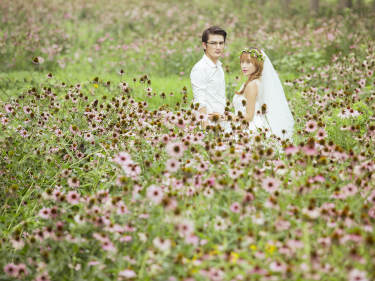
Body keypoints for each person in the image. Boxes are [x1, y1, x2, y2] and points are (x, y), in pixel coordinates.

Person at [232, 47, 294, 140]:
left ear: (257, 63)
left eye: (248, 62)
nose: (244, 66)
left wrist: (228, 117)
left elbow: (249, 116)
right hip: (249, 125)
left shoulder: (252, 85)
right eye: (242, 62)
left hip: (248, 128)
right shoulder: (257, 82)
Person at [190, 26, 227, 129]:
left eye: (221, 43)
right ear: (204, 45)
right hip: (208, 125)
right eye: (213, 43)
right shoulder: (200, 68)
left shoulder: (219, 67)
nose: (218, 47)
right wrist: (206, 130)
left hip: (222, 123)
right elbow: (200, 100)